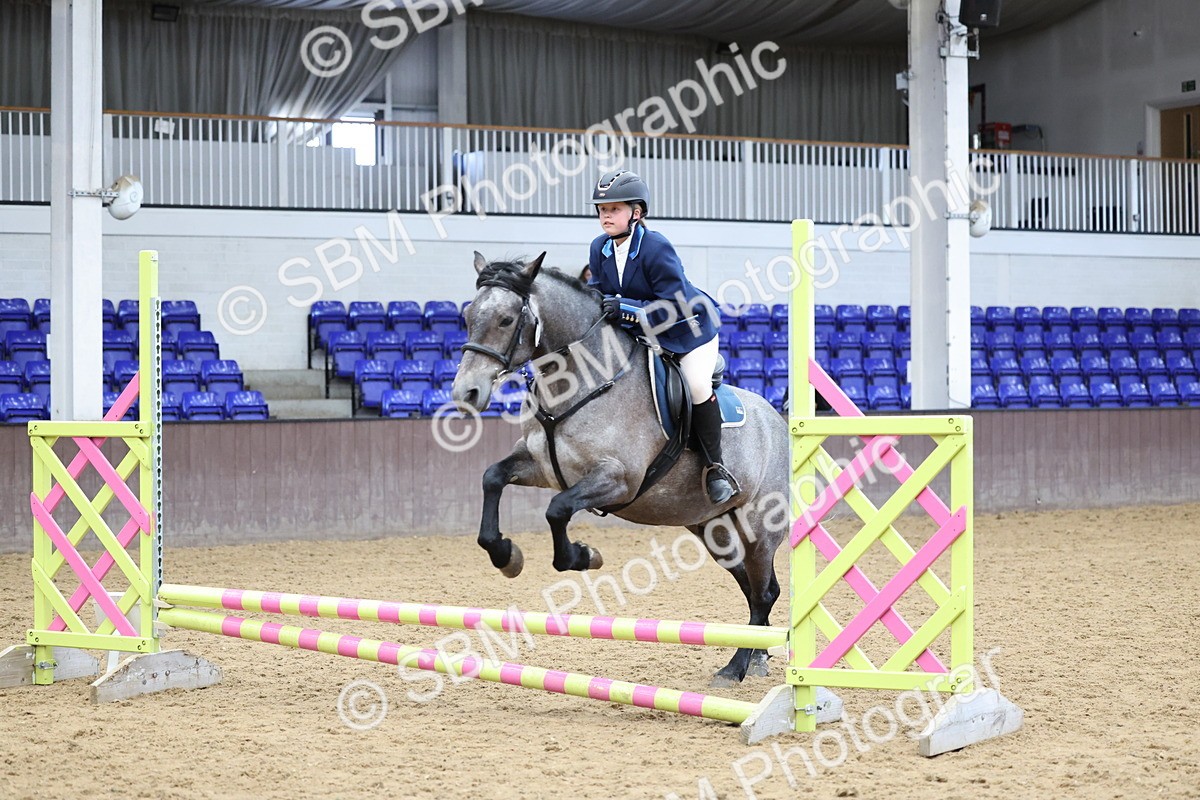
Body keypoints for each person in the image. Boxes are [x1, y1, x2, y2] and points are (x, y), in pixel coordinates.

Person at [585, 169, 737, 504]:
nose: (605, 215)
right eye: (602, 209)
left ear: (636, 213)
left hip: (688, 330)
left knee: (696, 385)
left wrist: (626, 308)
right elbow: (598, 293)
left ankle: (716, 468)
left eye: (614, 209)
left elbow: (675, 304)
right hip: (644, 333)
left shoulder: (655, 246)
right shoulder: (600, 248)